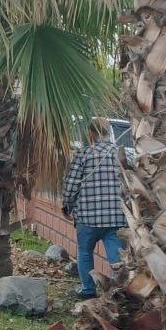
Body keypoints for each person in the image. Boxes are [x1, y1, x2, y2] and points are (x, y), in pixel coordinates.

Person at [62, 117, 127, 300]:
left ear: (90, 133)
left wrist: (67, 206)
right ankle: (118, 292)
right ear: (109, 133)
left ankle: (88, 290)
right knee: (117, 257)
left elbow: (71, 185)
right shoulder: (122, 155)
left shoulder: (83, 155)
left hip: (88, 218)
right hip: (117, 218)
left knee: (84, 252)